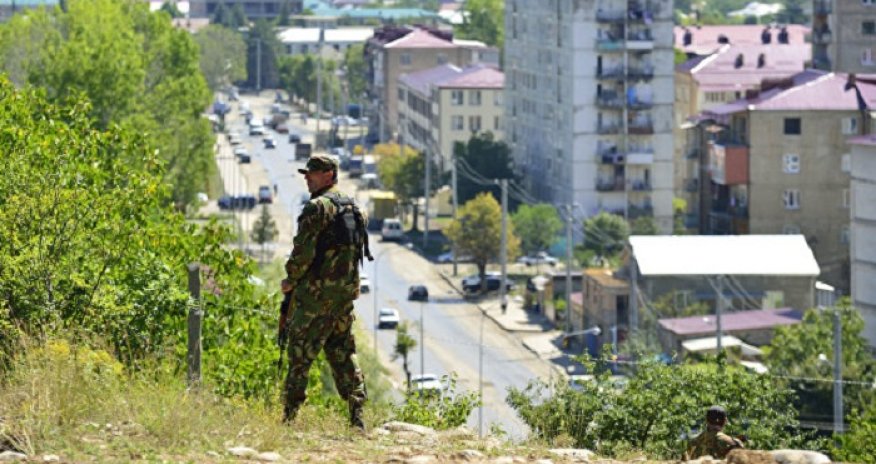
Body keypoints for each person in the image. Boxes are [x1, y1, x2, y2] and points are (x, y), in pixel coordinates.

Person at [279, 154, 369, 429]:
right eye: (307, 173)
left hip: (315, 298)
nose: (307, 177)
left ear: (329, 175)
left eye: (313, 173)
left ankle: (289, 416)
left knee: (299, 353)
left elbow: (302, 253)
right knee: (342, 352)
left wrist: (290, 279)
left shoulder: (317, 208)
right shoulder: (355, 209)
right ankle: (357, 415)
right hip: (343, 298)